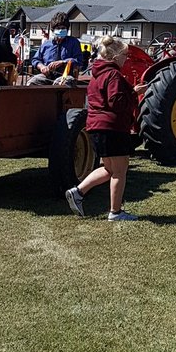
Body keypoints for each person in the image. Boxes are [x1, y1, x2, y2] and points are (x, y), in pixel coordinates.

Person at [65, 35, 139, 221]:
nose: (126, 59)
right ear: (115, 57)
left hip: (96, 126)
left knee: (109, 169)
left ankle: (78, 192)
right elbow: (116, 102)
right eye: (125, 55)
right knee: (120, 170)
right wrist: (133, 94)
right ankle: (116, 212)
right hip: (112, 127)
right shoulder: (114, 75)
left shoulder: (96, 74)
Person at [29, 12, 83, 84]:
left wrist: (62, 62)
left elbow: (79, 60)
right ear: (53, 30)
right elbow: (35, 59)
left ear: (67, 29)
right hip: (47, 75)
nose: (60, 30)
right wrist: (41, 67)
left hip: (66, 75)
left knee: (61, 82)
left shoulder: (74, 42)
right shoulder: (46, 44)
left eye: (63, 28)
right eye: (58, 28)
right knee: (32, 82)